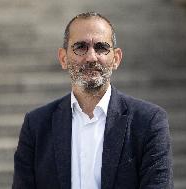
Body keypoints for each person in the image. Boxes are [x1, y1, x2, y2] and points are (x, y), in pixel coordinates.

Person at [12, 12, 173, 189]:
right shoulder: (36, 125)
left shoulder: (149, 121)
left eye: (101, 47)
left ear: (116, 59)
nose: (91, 57)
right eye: (80, 47)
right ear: (63, 58)